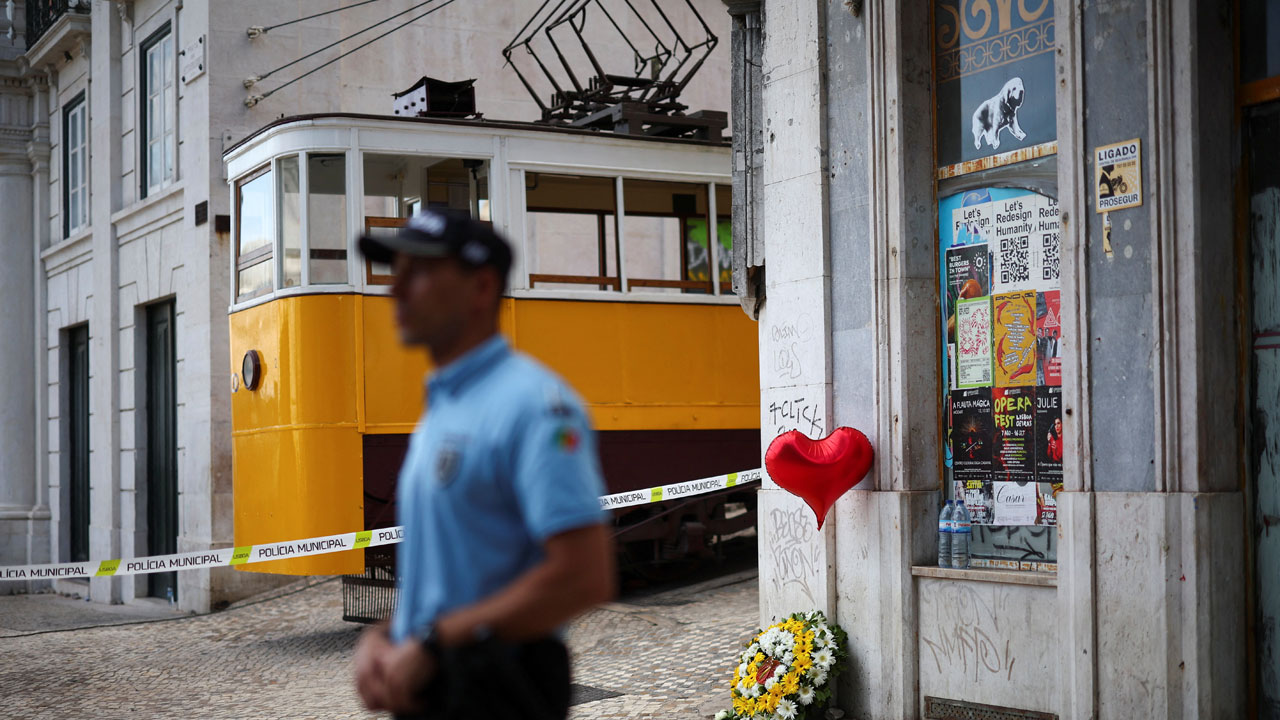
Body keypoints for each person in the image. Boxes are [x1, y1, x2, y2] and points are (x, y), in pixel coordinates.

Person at [352, 209, 615, 719]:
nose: (396, 290)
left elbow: (584, 577)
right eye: (395, 271)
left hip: (497, 690)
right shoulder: (443, 407)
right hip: (437, 688)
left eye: (420, 271)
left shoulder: (536, 405)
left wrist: (432, 643)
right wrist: (385, 635)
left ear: (481, 287)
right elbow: (449, 579)